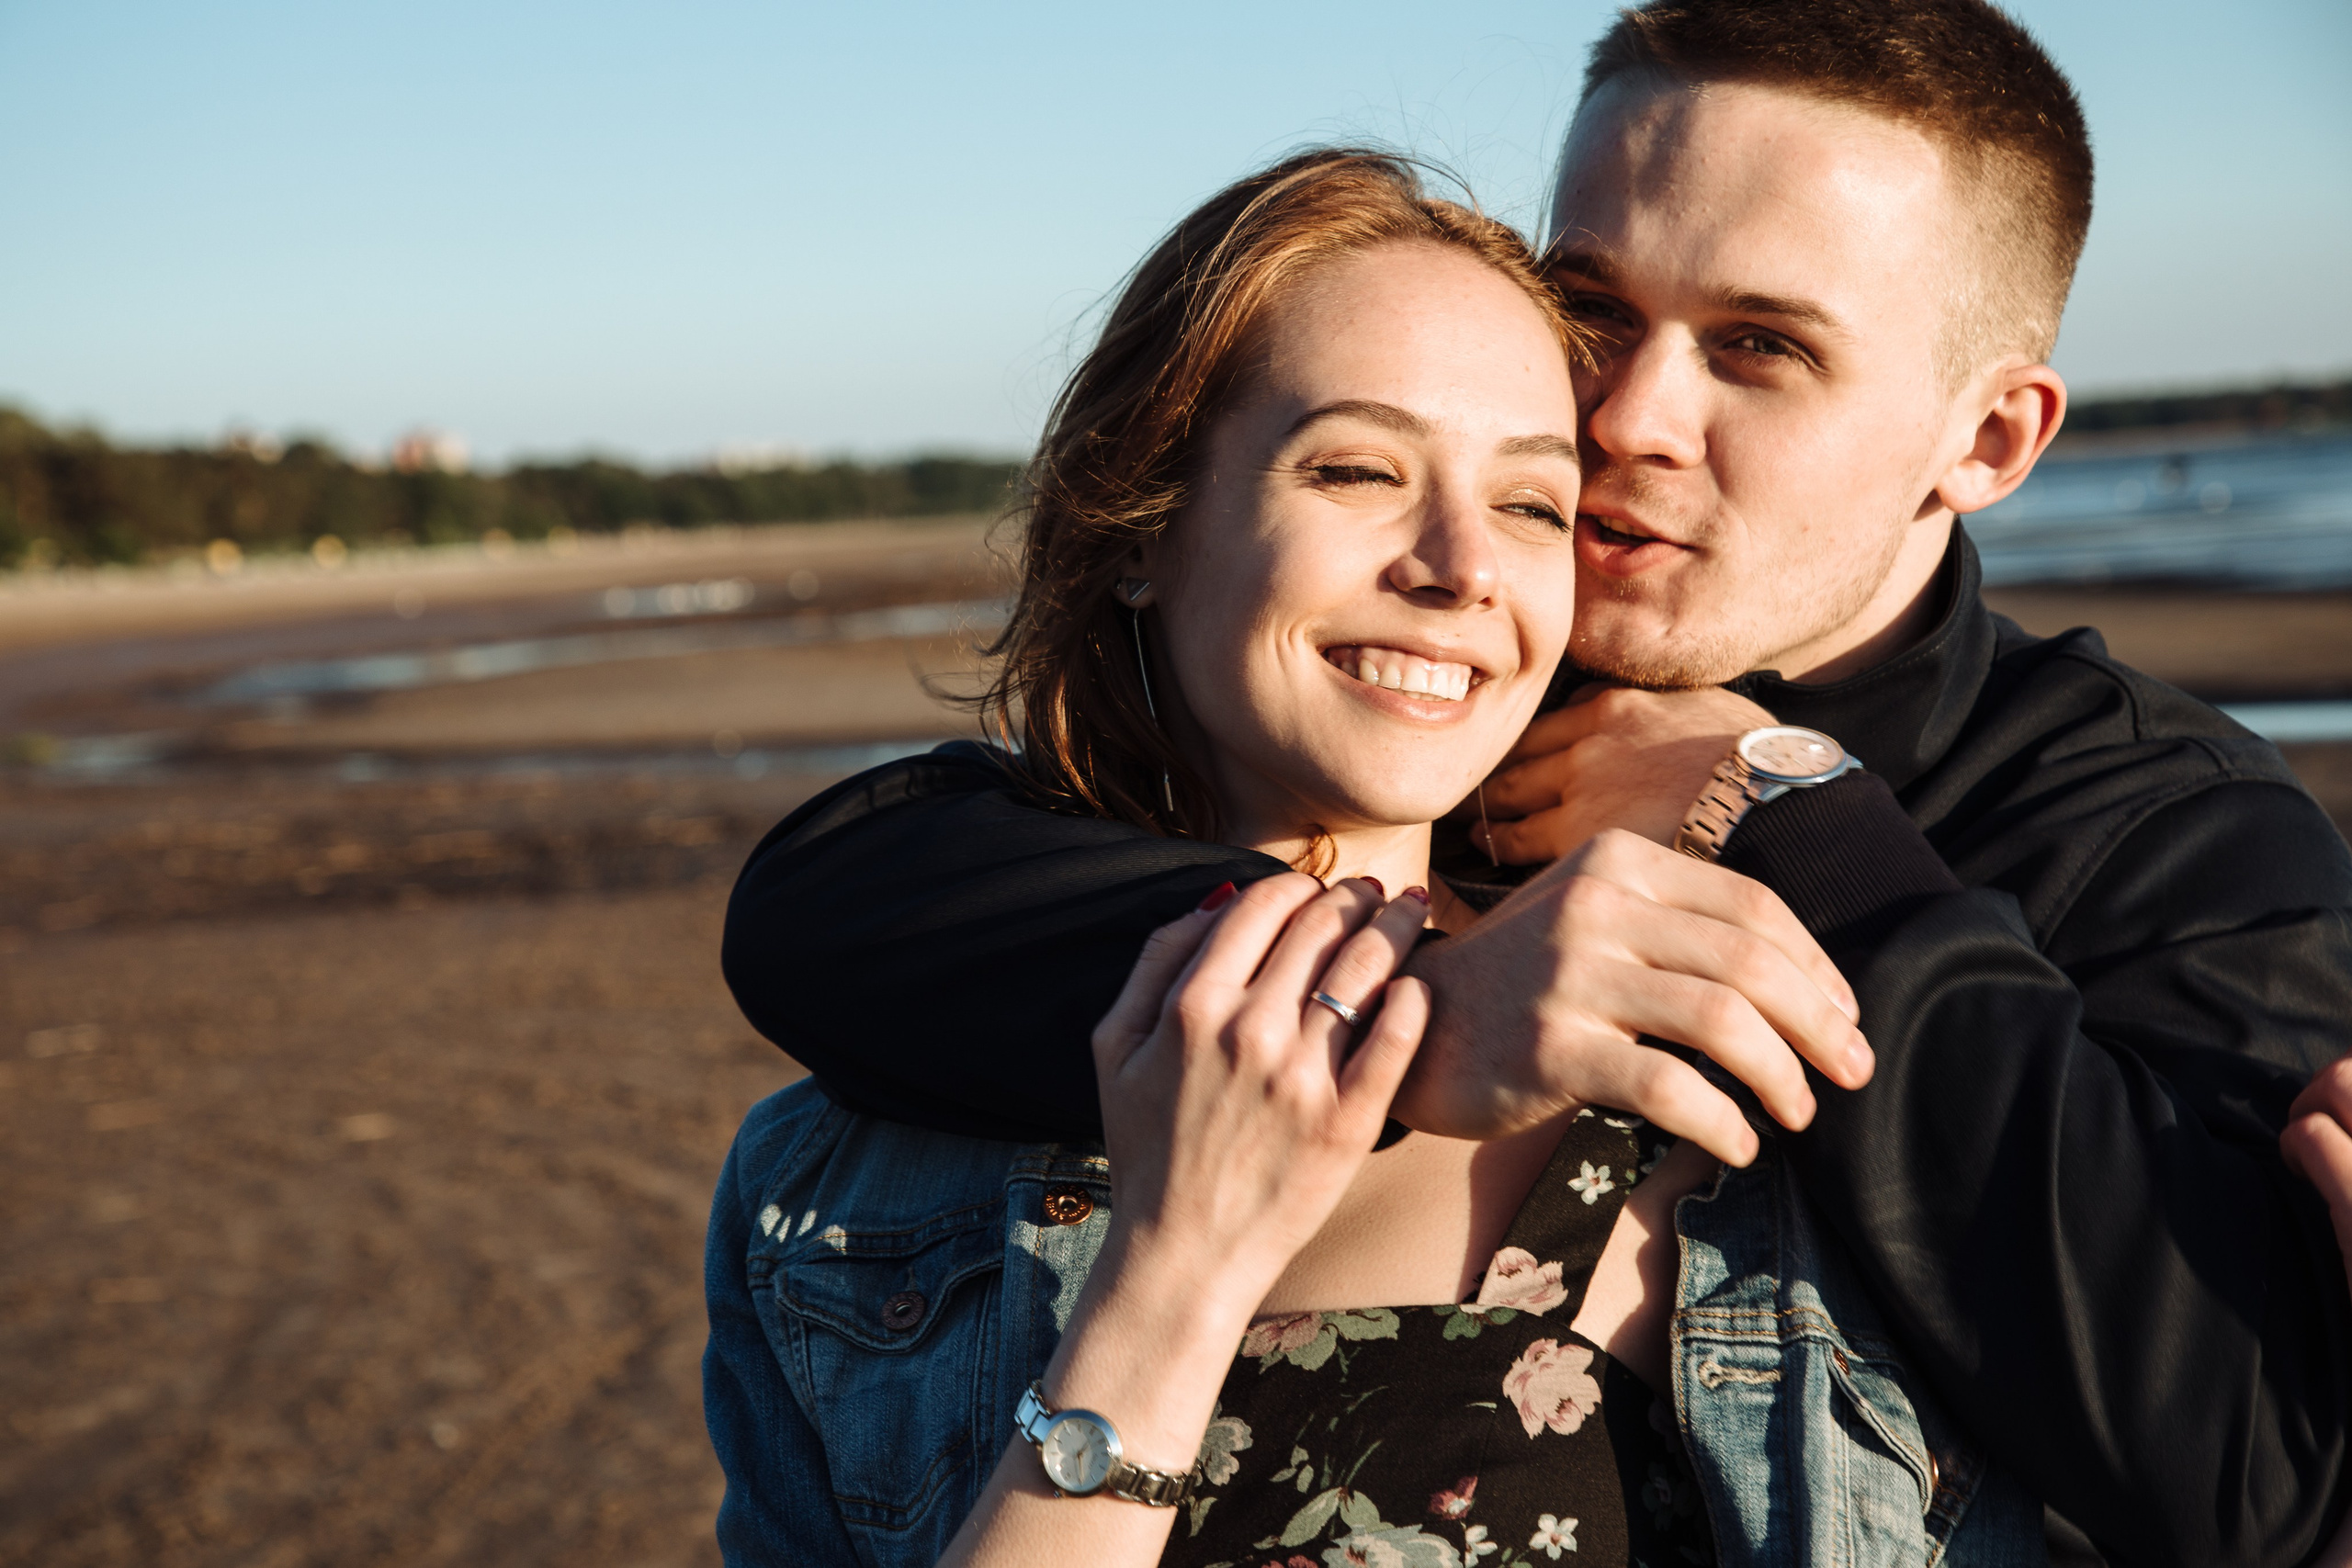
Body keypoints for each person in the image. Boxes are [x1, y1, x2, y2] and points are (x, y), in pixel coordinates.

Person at [722, 5, 2352, 1564]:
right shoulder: (1439, 671)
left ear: (1989, 439)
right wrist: (1416, 1004)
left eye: (1762, 348)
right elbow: (832, 903)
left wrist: (1789, 816)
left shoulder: (2157, 834)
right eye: (1592, 313)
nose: (1628, 419)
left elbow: (2249, 1465)